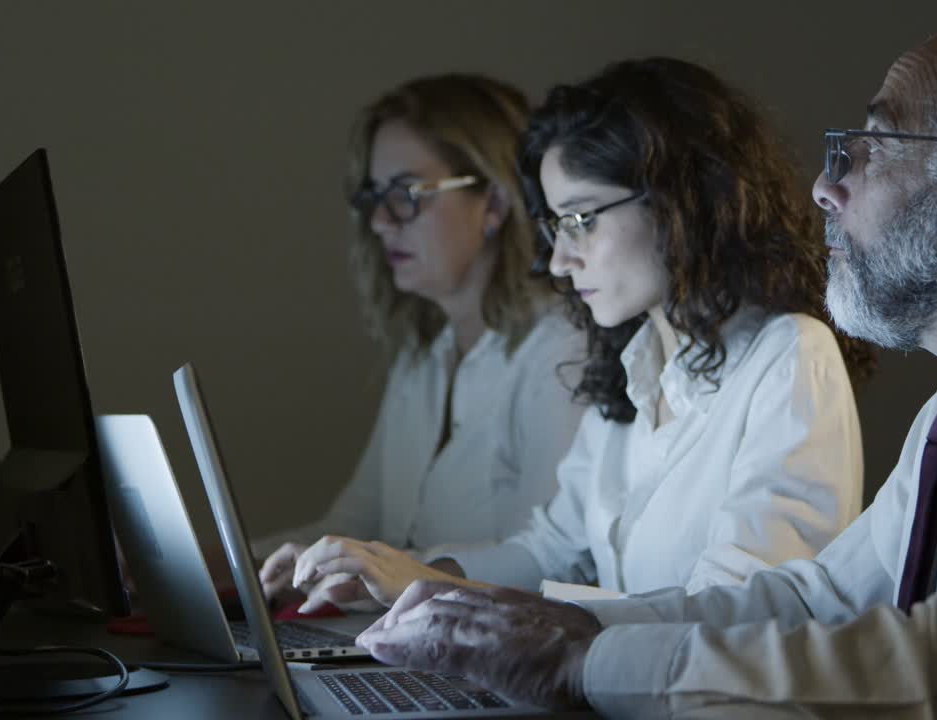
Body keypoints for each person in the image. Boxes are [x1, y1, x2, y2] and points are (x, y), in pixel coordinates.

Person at [354, 23, 937, 717]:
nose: (827, 187)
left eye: (869, 148)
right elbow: (822, 596)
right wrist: (571, 628)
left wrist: (578, 665)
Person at [291, 57, 875, 606]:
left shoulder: (789, 356)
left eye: (580, 220)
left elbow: (736, 614)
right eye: (555, 225)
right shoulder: (632, 370)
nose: (559, 261)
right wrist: (404, 577)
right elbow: (550, 551)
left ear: (680, 201)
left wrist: (460, 597)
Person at [254, 74, 587, 612]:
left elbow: (553, 562)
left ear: (495, 203)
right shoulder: (423, 360)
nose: (381, 222)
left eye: (406, 194)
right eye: (373, 196)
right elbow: (349, 529)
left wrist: (394, 575)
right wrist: (214, 565)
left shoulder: (560, 353)